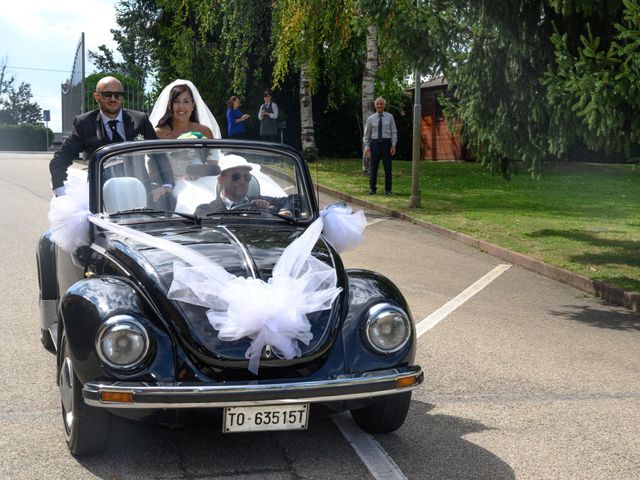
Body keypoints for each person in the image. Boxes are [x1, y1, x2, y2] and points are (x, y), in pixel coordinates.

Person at [49, 76, 170, 197]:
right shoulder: (84, 123)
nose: (113, 99)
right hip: (101, 194)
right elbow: (59, 160)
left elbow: (158, 154)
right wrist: (62, 194)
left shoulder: (140, 120)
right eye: (107, 95)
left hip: (139, 189)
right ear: (97, 97)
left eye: (118, 95)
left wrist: (167, 185)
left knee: (170, 201)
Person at [194, 155, 292, 217]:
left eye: (247, 177)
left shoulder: (260, 202)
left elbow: (294, 199)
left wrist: (282, 211)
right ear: (220, 180)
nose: (242, 181)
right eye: (235, 176)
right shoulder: (206, 210)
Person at [149, 79, 221, 139]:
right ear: (169, 105)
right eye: (176, 101)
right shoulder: (158, 133)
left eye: (186, 101)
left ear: (193, 105)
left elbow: (212, 156)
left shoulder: (204, 132)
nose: (181, 106)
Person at [363, 96, 398, 195]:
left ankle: (388, 190)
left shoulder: (390, 117)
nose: (379, 105)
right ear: (375, 106)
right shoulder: (370, 118)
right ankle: (372, 189)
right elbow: (366, 134)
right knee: (373, 167)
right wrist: (367, 146)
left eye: (381, 104)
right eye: (377, 104)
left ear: (384, 105)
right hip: (375, 144)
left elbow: (394, 131)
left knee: (388, 168)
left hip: (387, 144)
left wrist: (393, 145)